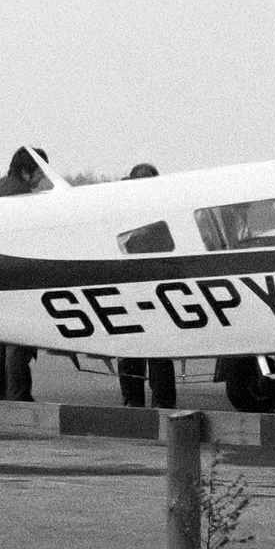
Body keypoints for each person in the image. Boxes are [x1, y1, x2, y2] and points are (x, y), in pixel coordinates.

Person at [0, 147, 47, 401]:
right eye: (39, 173)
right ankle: (18, 396)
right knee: (20, 340)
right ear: (26, 172)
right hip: (17, 279)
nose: (41, 179)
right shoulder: (23, 198)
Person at [117, 163, 177, 409]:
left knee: (131, 348)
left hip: (132, 289)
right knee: (158, 353)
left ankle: (133, 404)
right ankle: (161, 405)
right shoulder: (159, 209)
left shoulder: (120, 207)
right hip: (151, 289)